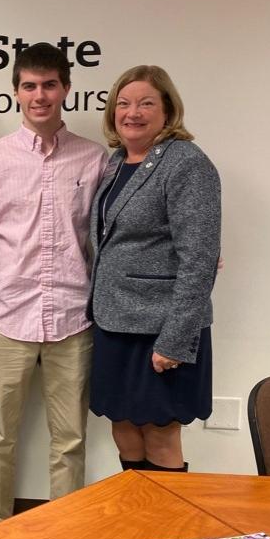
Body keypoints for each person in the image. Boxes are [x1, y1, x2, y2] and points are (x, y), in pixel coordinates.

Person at [0, 43, 107, 525]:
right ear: (16, 92)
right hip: (7, 318)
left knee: (70, 440)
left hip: (72, 319)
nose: (40, 95)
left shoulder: (94, 159)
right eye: (29, 86)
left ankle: (63, 535)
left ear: (66, 88)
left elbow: (105, 236)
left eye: (49, 85)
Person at [88, 65, 221, 472]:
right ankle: (137, 511)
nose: (133, 113)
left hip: (160, 328)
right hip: (115, 322)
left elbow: (200, 260)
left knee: (160, 435)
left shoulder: (186, 163)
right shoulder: (117, 162)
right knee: (124, 429)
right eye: (124, 104)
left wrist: (175, 340)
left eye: (146, 103)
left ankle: (166, 515)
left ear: (167, 110)